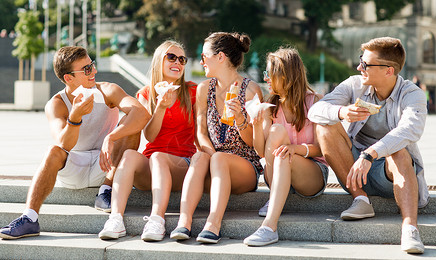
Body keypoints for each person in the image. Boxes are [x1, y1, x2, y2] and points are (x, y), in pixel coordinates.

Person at [0, 46, 149, 240]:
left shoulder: (108, 90)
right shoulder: (57, 103)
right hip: (74, 167)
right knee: (53, 151)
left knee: (130, 127)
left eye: (92, 65)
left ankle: (106, 191)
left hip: (106, 163)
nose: (94, 71)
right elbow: (64, 144)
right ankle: (29, 218)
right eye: (86, 69)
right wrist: (75, 117)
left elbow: (142, 113)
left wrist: (111, 137)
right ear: (69, 78)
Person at [308, 37, 428, 254]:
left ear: (388, 71)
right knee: (324, 126)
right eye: (360, 61)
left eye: (365, 64)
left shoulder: (412, 94)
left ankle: (410, 228)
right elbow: (315, 110)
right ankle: (360, 199)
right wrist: (341, 112)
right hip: (354, 171)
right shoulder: (354, 85)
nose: (358, 67)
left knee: (399, 151)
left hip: (389, 173)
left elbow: (410, 130)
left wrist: (370, 154)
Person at [98, 40, 197, 241]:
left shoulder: (193, 91)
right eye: (171, 57)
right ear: (159, 61)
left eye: (182, 59)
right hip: (151, 166)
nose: (177, 62)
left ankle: (157, 220)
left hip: (182, 165)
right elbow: (150, 136)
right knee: (129, 156)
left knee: (159, 157)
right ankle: (116, 219)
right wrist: (160, 107)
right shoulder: (145, 93)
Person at [170, 32, 263, 243]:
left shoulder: (250, 91)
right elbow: (200, 133)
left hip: (244, 169)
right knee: (199, 157)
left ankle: (213, 223)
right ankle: (184, 222)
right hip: (214, 162)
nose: (201, 61)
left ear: (220, 57)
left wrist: (240, 118)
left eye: (204, 56)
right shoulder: (204, 89)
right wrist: (211, 155)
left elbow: (254, 144)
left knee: (217, 159)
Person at [243, 47, 328, 246]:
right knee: (276, 131)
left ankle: (269, 226)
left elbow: (322, 149)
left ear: (287, 77)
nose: (266, 79)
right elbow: (261, 152)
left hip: (311, 174)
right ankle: (276, 197)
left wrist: (295, 149)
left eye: (269, 74)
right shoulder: (270, 106)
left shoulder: (315, 102)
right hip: (277, 171)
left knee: (283, 153)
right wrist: (255, 126)